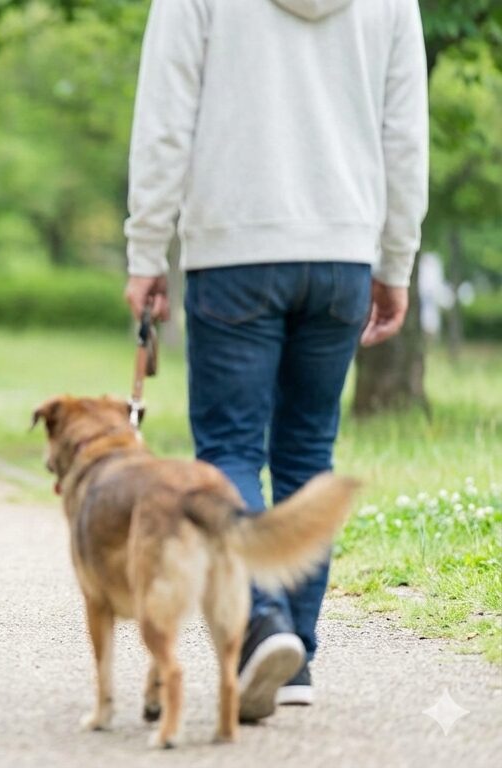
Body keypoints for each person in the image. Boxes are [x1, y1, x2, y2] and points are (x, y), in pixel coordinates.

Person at [121, 0, 428, 721]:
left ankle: (262, 621)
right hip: (342, 251)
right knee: (306, 453)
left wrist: (146, 249)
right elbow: (404, 135)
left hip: (234, 249)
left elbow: (165, 118)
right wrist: (396, 260)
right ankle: (297, 659)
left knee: (229, 445)